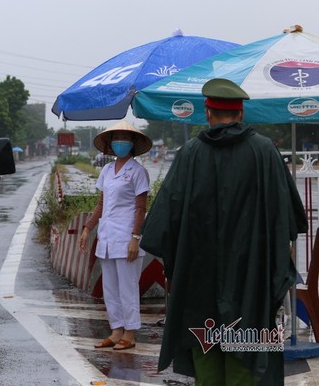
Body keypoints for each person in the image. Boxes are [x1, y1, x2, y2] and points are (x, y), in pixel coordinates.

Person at [139, 78, 308, 385]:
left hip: (199, 286)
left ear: (208, 112)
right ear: (241, 114)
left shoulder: (189, 154)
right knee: (246, 361)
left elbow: (162, 225)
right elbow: (290, 220)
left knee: (207, 360)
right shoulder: (265, 152)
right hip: (252, 283)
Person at [78, 120, 152, 351]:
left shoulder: (138, 171)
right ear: (110, 144)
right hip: (107, 237)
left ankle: (130, 333)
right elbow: (101, 204)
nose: (121, 142)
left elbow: (141, 208)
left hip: (127, 238)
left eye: (125, 138)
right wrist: (87, 228)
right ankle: (116, 330)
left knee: (127, 288)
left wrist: (135, 238)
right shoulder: (107, 170)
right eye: (117, 138)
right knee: (109, 288)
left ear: (132, 144)